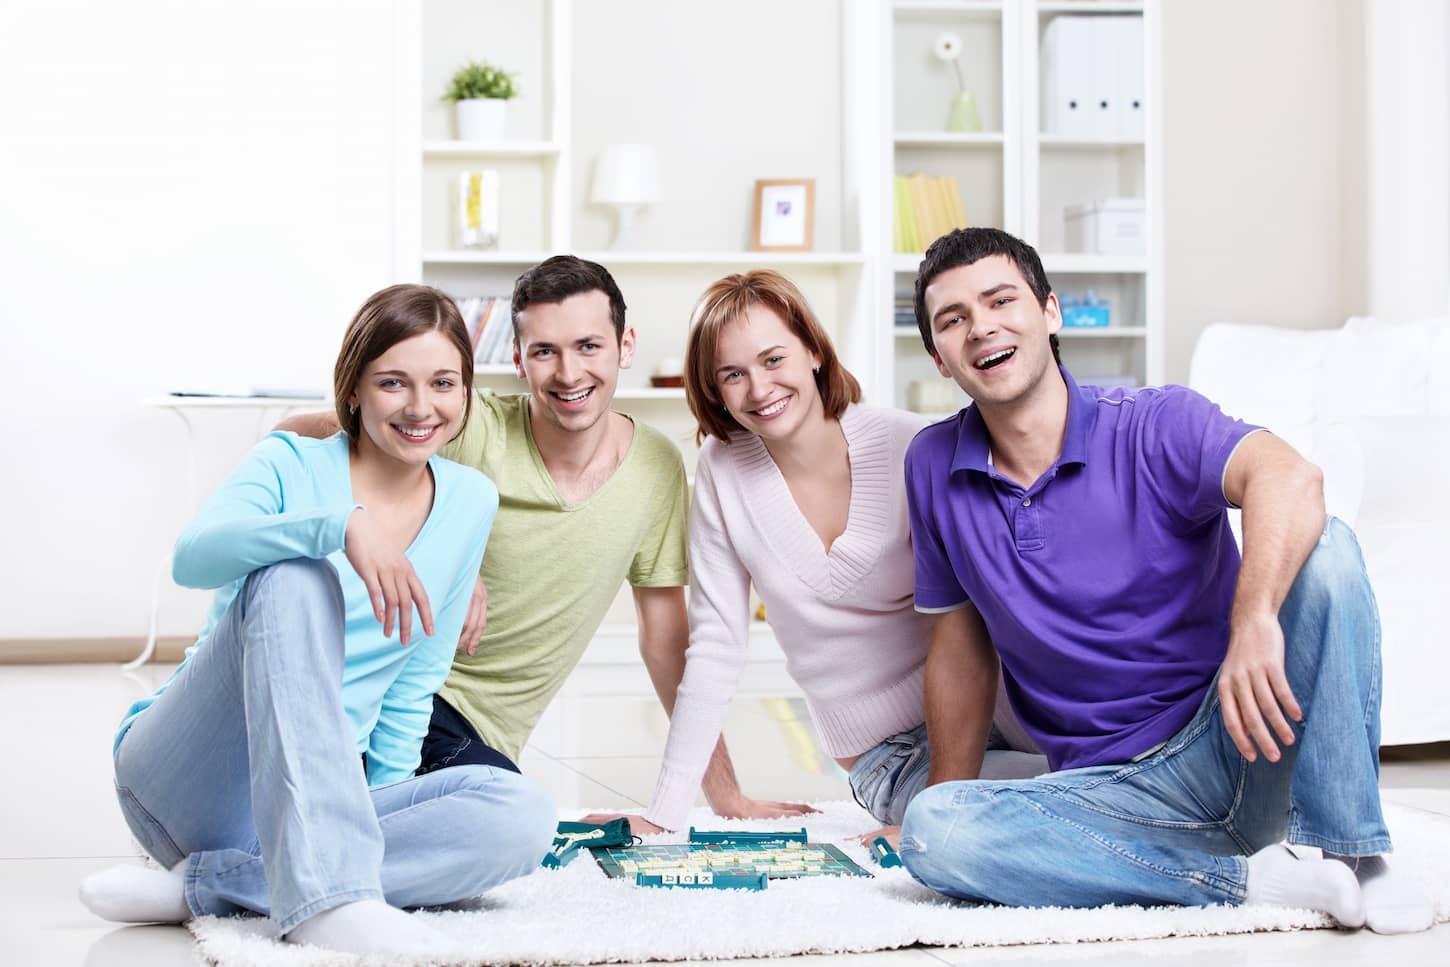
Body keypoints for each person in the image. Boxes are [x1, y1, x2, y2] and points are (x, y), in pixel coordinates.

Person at [896, 227, 1434, 935]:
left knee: (1329, 547)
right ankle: (1243, 880)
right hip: (1110, 789)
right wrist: (955, 800)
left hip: (1242, 738)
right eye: (953, 319)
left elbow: (1291, 476)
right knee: (933, 829)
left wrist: (1254, 620)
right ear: (938, 355)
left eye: (1001, 301)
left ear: (1050, 311)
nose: (982, 328)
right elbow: (961, 645)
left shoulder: (1154, 423)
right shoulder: (932, 465)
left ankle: (1357, 854)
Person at [79, 284, 556, 958]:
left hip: (311, 803)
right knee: (293, 576)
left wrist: (378, 806)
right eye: (394, 382)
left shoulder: (470, 501)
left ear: (465, 392)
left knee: (525, 815)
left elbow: (413, 680)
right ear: (354, 389)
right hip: (189, 777)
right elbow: (193, 557)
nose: (422, 407)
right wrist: (337, 526)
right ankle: (328, 900)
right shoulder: (289, 462)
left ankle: (216, 887)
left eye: (443, 383)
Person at [281, 257, 754, 809]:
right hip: (376, 695)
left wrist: (726, 795)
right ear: (517, 359)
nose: (568, 373)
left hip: (469, 733)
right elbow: (294, 432)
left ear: (625, 345)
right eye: (544, 351)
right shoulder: (465, 424)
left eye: (588, 346)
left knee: (509, 824)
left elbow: (667, 642)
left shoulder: (655, 467)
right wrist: (443, 551)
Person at [590, 270, 1044, 840]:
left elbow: (1001, 594)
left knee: (1101, 776)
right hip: (889, 754)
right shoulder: (722, 474)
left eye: (774, 359)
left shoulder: (912, 443)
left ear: (812, 349)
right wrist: (666, 811)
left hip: (999, 705)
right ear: (713, 389)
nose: (759, 390)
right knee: (1049, 796)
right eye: (733, 374)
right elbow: (715, 646)